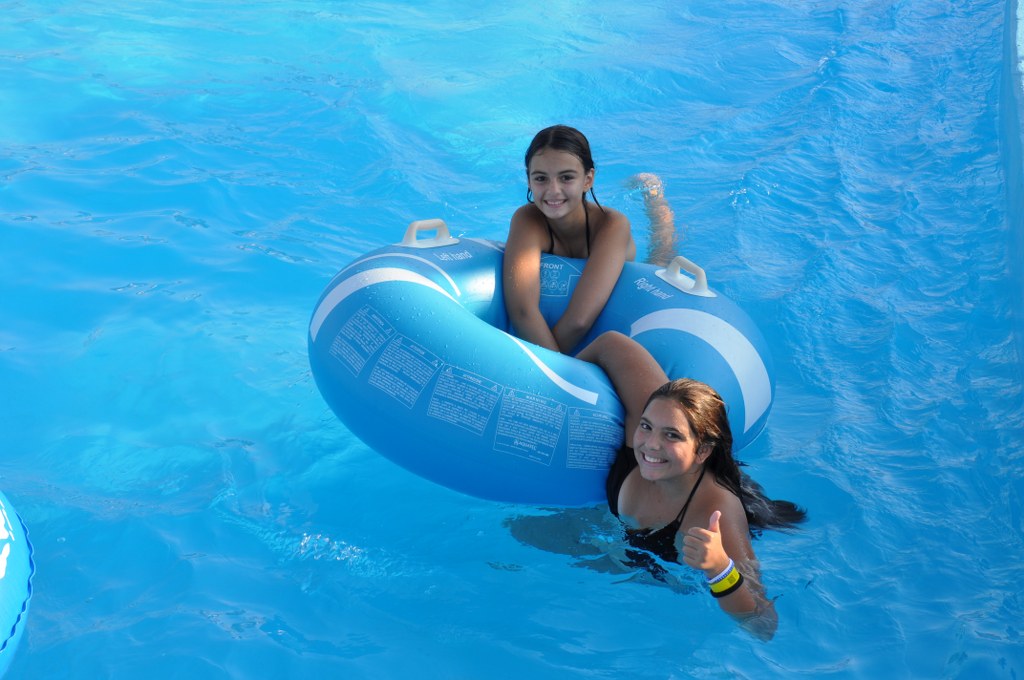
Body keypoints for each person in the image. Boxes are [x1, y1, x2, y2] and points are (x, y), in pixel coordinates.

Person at [576, 331, 806, 640]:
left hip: (661, 577)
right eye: (646, 426)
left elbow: (763, 626)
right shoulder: (656, 408)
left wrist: (719, 569)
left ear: (702, 451)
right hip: (618, 539)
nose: (650, 444)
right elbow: (611, 344)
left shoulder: (716, 513)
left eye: (672, 435)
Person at [503, 125, 637, 354]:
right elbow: (523, 311)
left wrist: (550, 370)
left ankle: (654, 200)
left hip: (637, 270)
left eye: (566, 177)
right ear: (528, 180)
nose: (553, 190)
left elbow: (579, 321)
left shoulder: (612, 225)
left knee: (662, 248)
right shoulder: (527, 219)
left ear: (588, 179)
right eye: (541, 178)